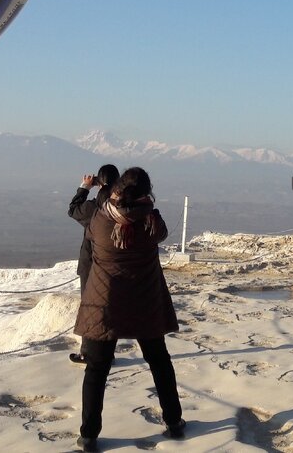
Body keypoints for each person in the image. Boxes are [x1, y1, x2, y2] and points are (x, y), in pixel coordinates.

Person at [74, 167, 184, 452]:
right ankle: (174, 421)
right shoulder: (151, 223)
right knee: (159, 361)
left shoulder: (100, 220)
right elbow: (159, 233)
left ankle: (89, 434)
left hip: (104, 300)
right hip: (144, 301)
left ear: (117, 189)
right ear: (147, 193)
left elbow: (90, 235)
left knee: (97, 369)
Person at [66, 164, 119, 364]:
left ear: (99, 182)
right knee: (110, 307)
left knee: (91, 308)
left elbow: (72, 210)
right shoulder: (120, 205)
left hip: (92, 263)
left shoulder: (95, 207)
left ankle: (89, 353)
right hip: (113, 265)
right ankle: (107, 352)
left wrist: (84, 187)